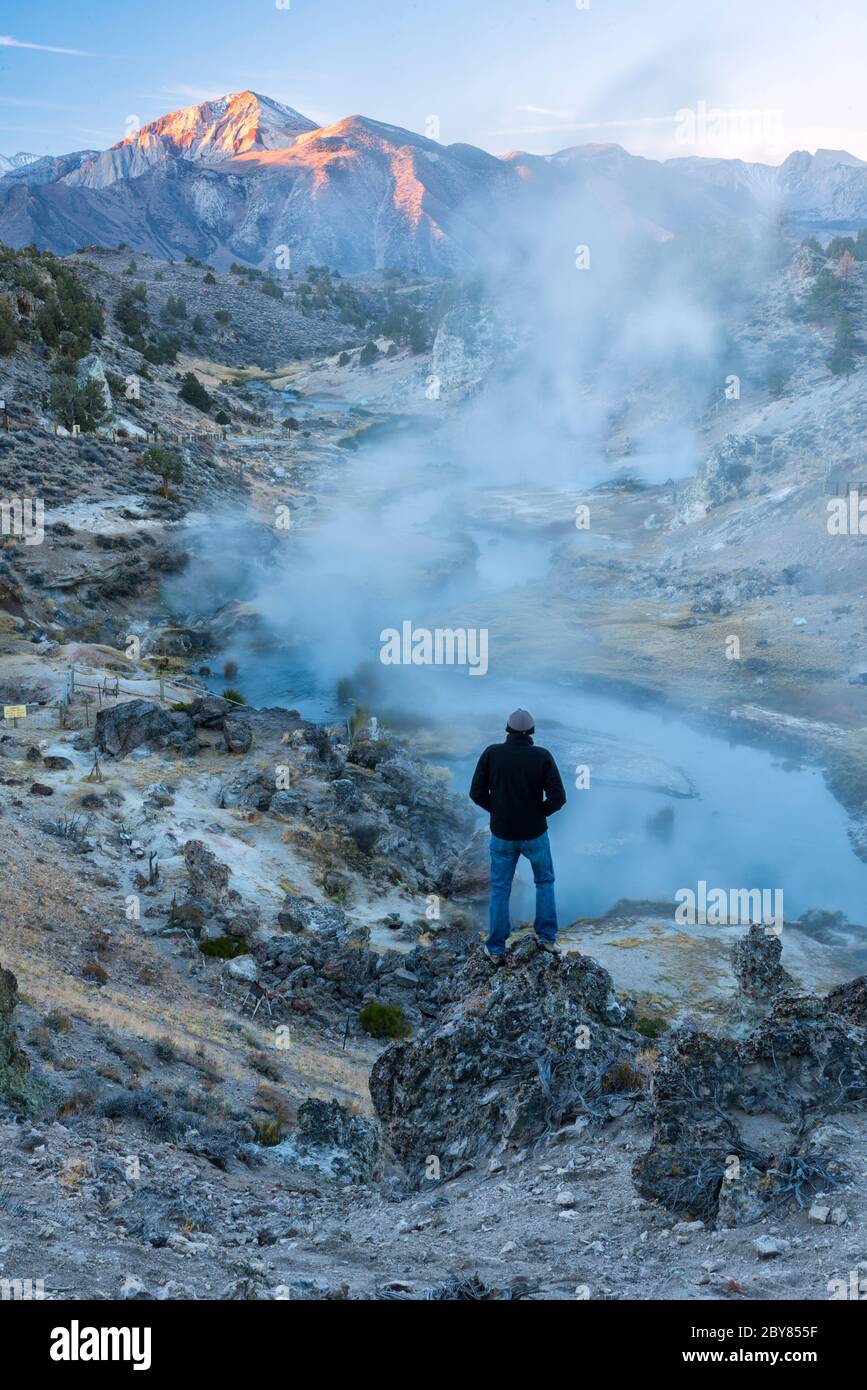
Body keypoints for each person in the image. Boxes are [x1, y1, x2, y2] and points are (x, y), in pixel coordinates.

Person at [469, 708, 567, 963]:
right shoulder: (542, 756)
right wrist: (537, 814)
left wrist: (499, 811)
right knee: (544, 882)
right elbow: (558, 798)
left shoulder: (492, 753)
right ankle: (547, 939)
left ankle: (496, 948)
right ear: (531, 731)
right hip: (535, 833)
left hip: (502, 834)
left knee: (500, 888)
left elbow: (476, 793)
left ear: (508, 730)